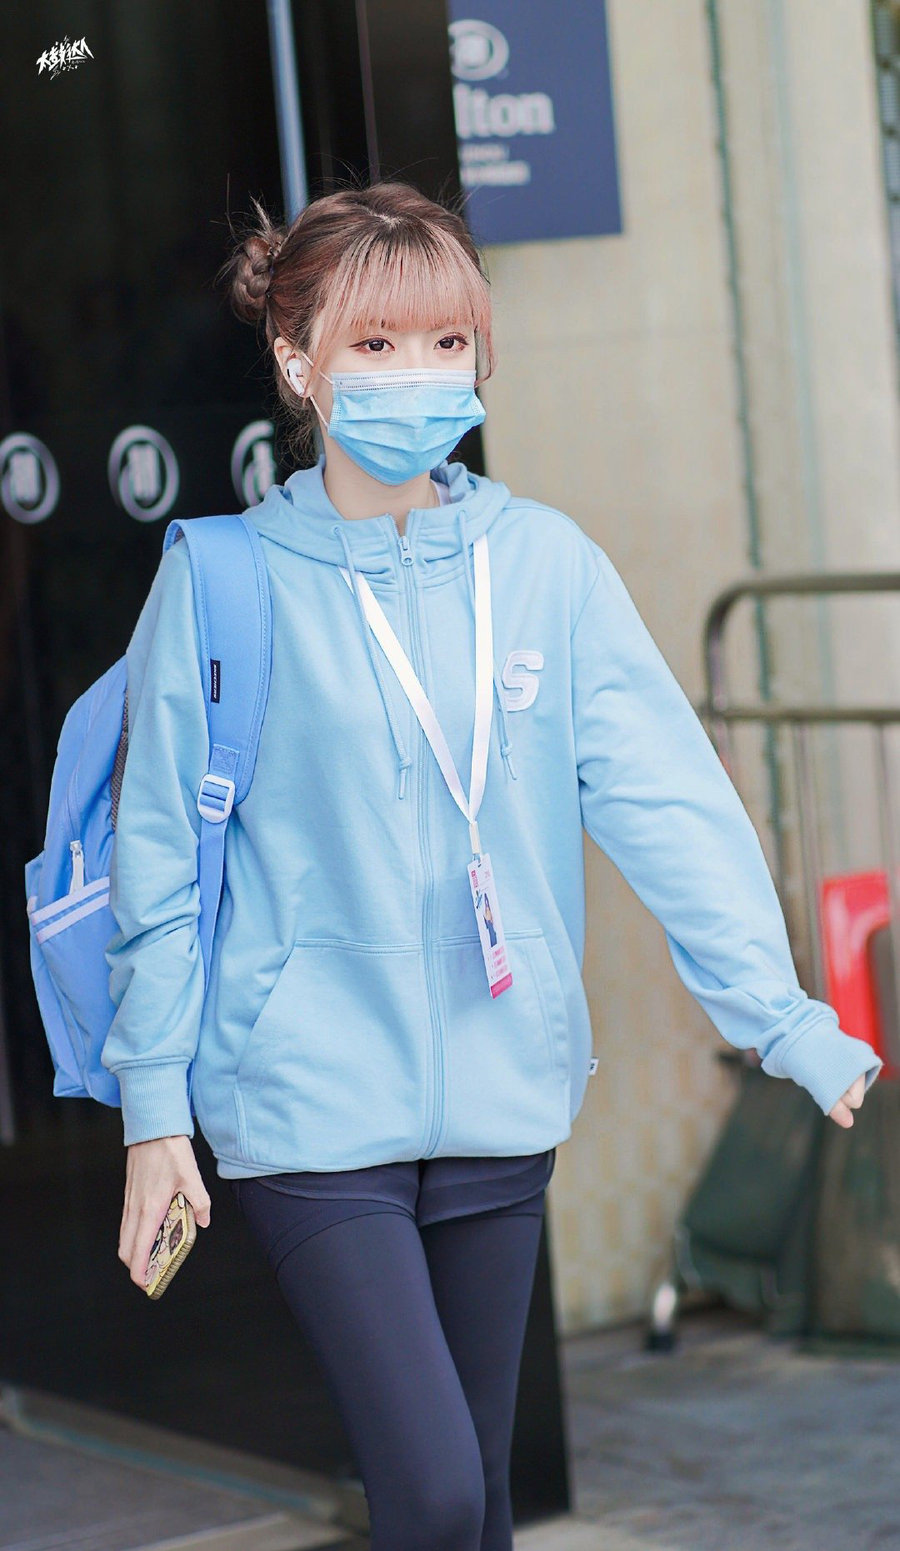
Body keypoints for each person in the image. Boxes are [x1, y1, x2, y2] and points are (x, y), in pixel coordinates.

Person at [104, 179, 882, 1551]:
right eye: (376, 343)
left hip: (502, 1087)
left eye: (448, 341)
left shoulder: (543, 566)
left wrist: (781, 1017)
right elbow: (159, 860)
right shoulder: (223, 581)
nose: (419, 373)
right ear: (295, 360)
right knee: (437, 1490)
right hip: (303, 1104)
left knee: (480, 1498)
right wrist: (154, 1113)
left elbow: (669, 805)